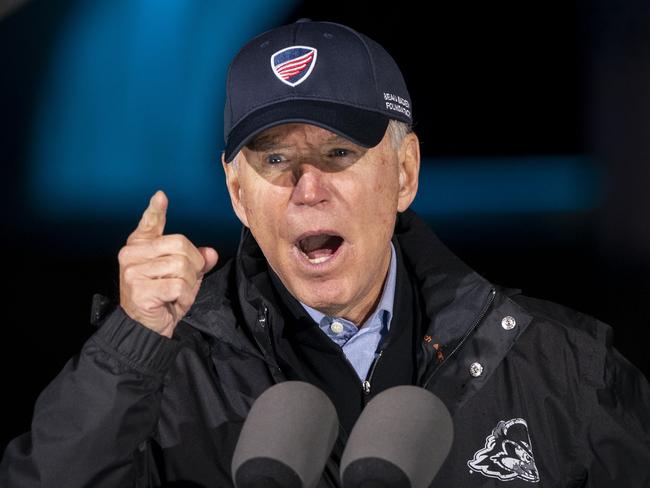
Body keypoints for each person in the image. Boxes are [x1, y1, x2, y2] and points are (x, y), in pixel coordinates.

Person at [2, 19, 649, 487]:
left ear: (404, 174)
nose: (307, 189)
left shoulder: (561, 370)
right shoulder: (162, 379)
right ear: (236, 193)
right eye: (276, 159)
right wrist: (132, 342)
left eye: (339, 154)